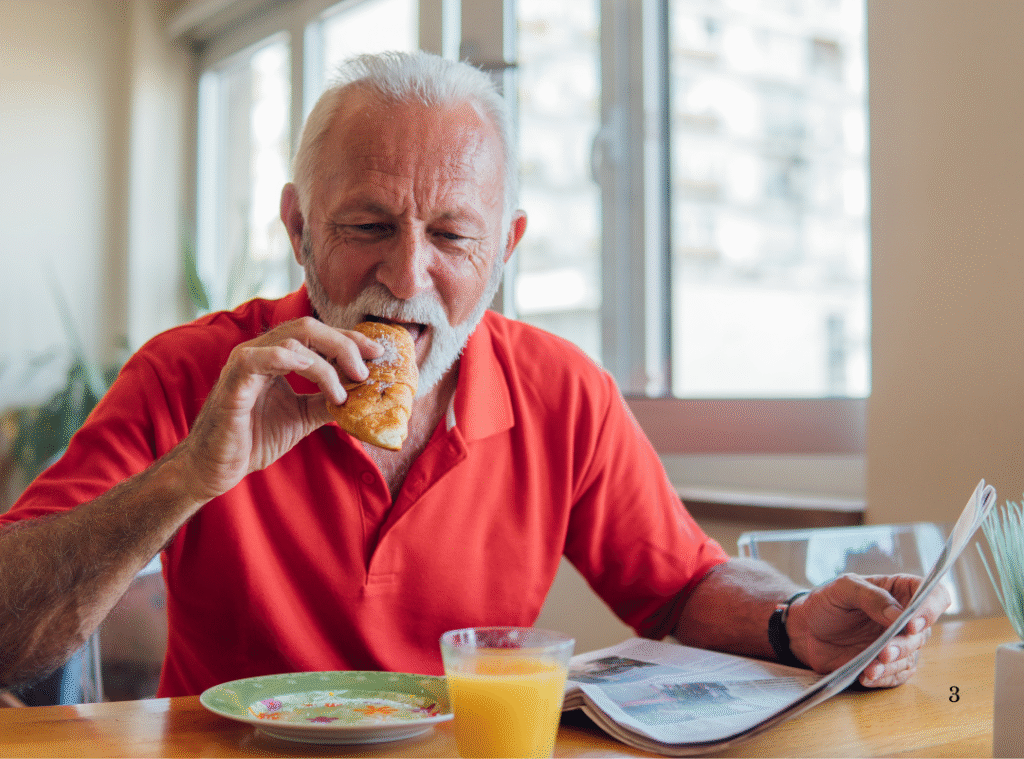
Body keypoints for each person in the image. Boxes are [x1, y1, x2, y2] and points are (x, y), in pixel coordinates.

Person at [0, 51, 948, 698]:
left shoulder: (561, 388)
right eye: (366, 226)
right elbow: (11, 638)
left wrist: (790, 623)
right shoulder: (194, 371)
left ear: (506, 250)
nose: (407, 279)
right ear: (297, 228)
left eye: (453, 235)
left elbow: (681, 584)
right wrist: (186, 479)